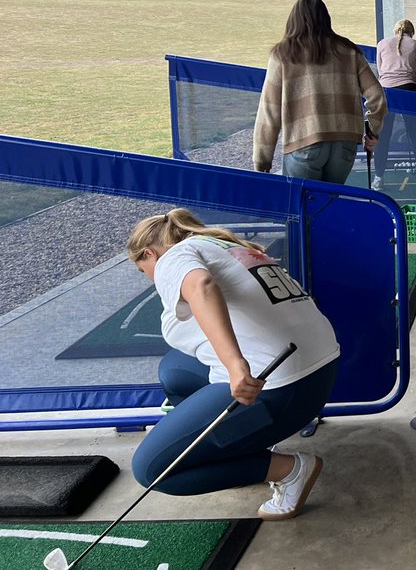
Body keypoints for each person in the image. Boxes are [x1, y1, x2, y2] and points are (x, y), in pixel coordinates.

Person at [127, 208, 339, 520]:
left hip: (282, 388)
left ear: (149, 253)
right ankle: (239, 449)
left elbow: (202, 287)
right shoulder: (224, 246)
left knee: (152, 469)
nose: (146, 276)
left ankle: (288, 469)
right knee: (174, 371)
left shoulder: (172, 257)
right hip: (318, 374)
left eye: (140, 268)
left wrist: (236, 363)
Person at [253, 0, 386, 185]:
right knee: (329, 205)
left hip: (303, 142)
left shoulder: (283, 55)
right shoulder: (349, 51)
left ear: (294, 20)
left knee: (301, 210)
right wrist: (371, 131)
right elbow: (377, 97)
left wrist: (262, 162)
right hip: (345, 144)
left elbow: (269, 113)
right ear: (326, 18)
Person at [374, 19, 416, 192]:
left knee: (382, 137)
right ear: (411, 32)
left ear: (395, 30)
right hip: (409, 90)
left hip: (385, 91)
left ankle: (378, 179)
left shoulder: (382, 44)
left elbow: (380, 71)